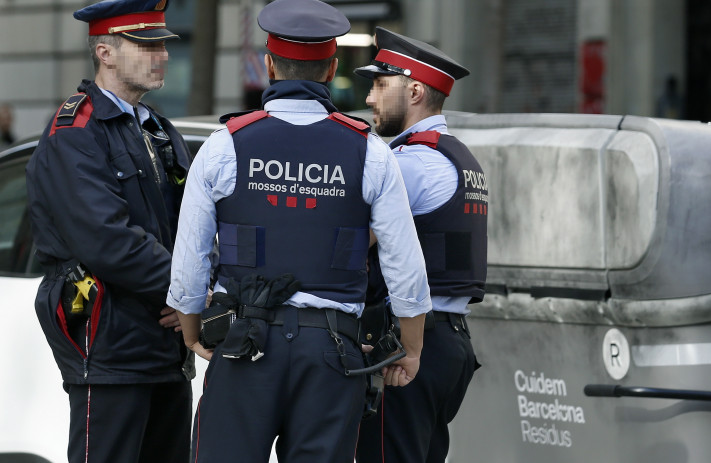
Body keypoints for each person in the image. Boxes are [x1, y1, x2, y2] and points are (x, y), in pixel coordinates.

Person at [166, 1, 431, 462]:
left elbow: (189, 262)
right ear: (331, 69)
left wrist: (191, 333)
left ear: (269, 66)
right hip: (332, 357)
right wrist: (411, 349)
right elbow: (405, 266)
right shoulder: (370, 150)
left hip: (242, 347)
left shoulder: (224, 144)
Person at [25, 1, 193, 462]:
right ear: (105, 52)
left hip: (165, 338)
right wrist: (189, 292)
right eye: (146, 45)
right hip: (108, 336)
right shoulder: (76, 131)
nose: (161, 55)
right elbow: (108, 240)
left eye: (163, 44)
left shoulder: (157, 129)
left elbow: (194, 227)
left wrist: (194, 295)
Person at [354, 27, 488, 463]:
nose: (370, 98)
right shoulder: (456, 156)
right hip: (450, 344)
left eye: (379, 84)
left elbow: (350, 245)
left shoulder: (407, 165)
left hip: (408, 346)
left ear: (413, 91)